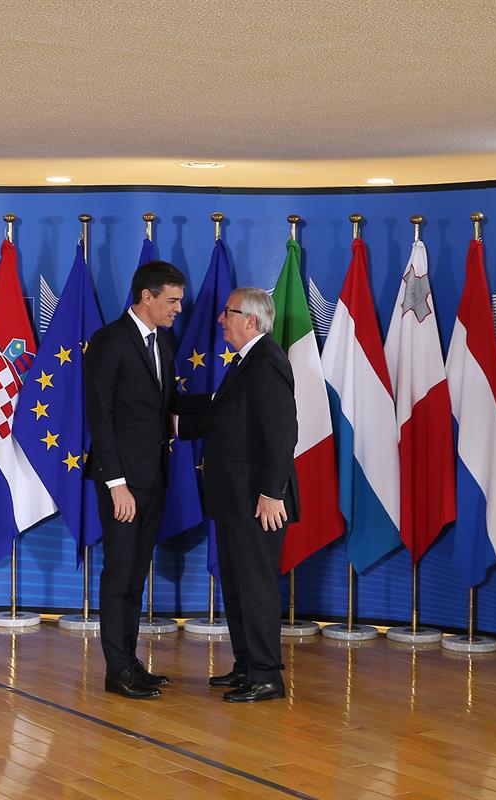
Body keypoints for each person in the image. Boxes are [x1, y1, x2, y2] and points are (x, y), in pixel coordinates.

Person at [177, 287, 299, 703]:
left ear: (251, 320)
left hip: (258, 500)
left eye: (226, 313)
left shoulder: (266, 362)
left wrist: (271, 492)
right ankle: (247, 664)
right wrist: (162, 413)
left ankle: (267, 675)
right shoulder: (247, 362)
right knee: (235, 584)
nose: (219, 320)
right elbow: (221, 417)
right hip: (234, 497)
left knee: (255, 585)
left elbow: (282, 434)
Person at [84, 260, 186, 699]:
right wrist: (116, 484)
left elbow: (163, 409)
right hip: (122, 485)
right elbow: (101, 418)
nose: (178, 309)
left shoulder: (163, 340)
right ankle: (116, 670)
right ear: (147, 297)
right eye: (172, 300)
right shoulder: (109, 341)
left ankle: (131, 663)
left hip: (153, 478)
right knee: (120, 574)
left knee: (136, 576)